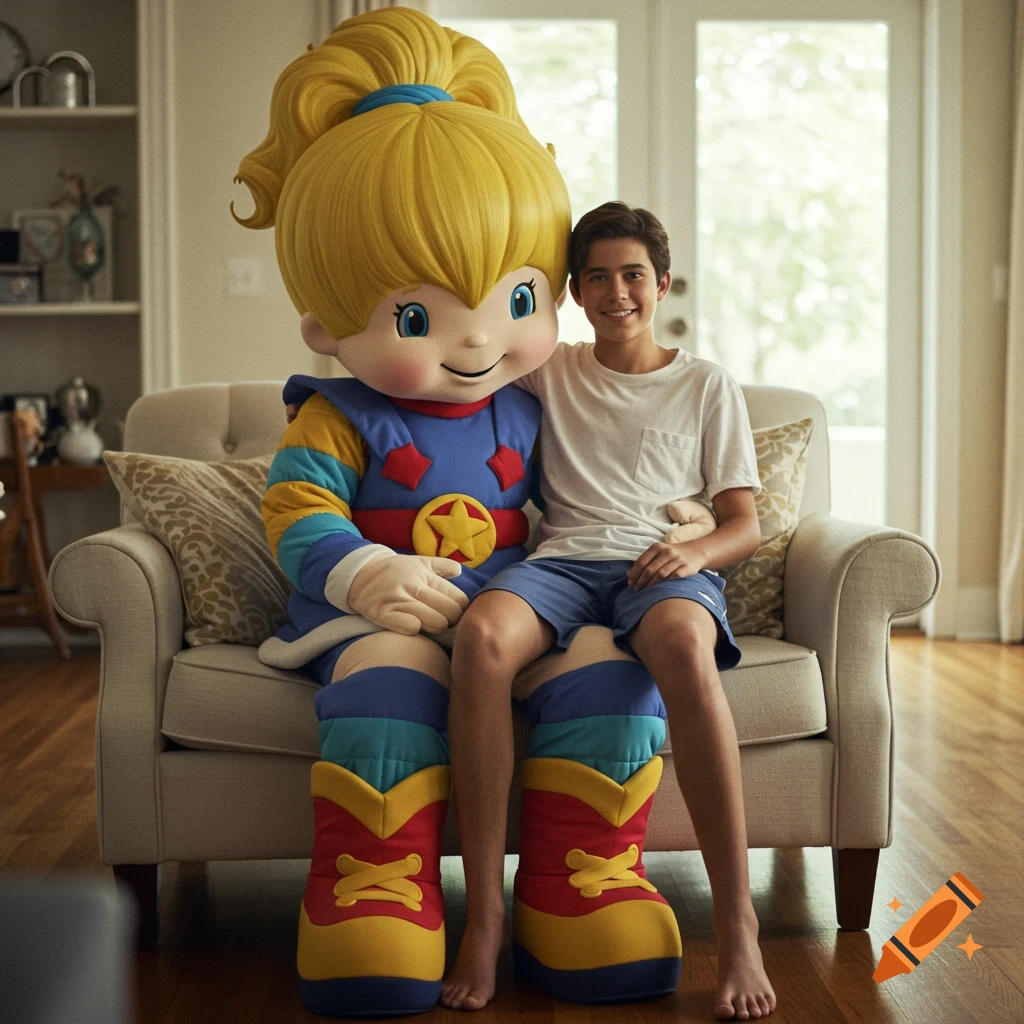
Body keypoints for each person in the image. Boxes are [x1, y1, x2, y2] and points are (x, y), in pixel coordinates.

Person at [237, 9, 680, 1018]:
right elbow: (297, 506)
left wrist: (681, 517)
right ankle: (375, 886)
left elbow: (599, 485)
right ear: (324, 322)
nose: (477, 341)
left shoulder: (539, 402)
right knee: (392, 684)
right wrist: (362, 570)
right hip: (386, 616)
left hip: (519, 607)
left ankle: (583, 878)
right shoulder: (337, 412)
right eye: (416, 317)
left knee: (611, 673)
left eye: (515, 302)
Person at [444, 201, 778, 1021]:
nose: (616, 293)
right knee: (480, 639)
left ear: (662, 284)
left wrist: (693, 555)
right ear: (574, 292)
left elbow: (745, 524)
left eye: (632, 275)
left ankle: (738, 927)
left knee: (686, 654)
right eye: (596, 277)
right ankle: (484, 919)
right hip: (560, 564)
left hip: (660, 566)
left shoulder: (705, 383)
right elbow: (459, 357)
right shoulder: (548, 370)